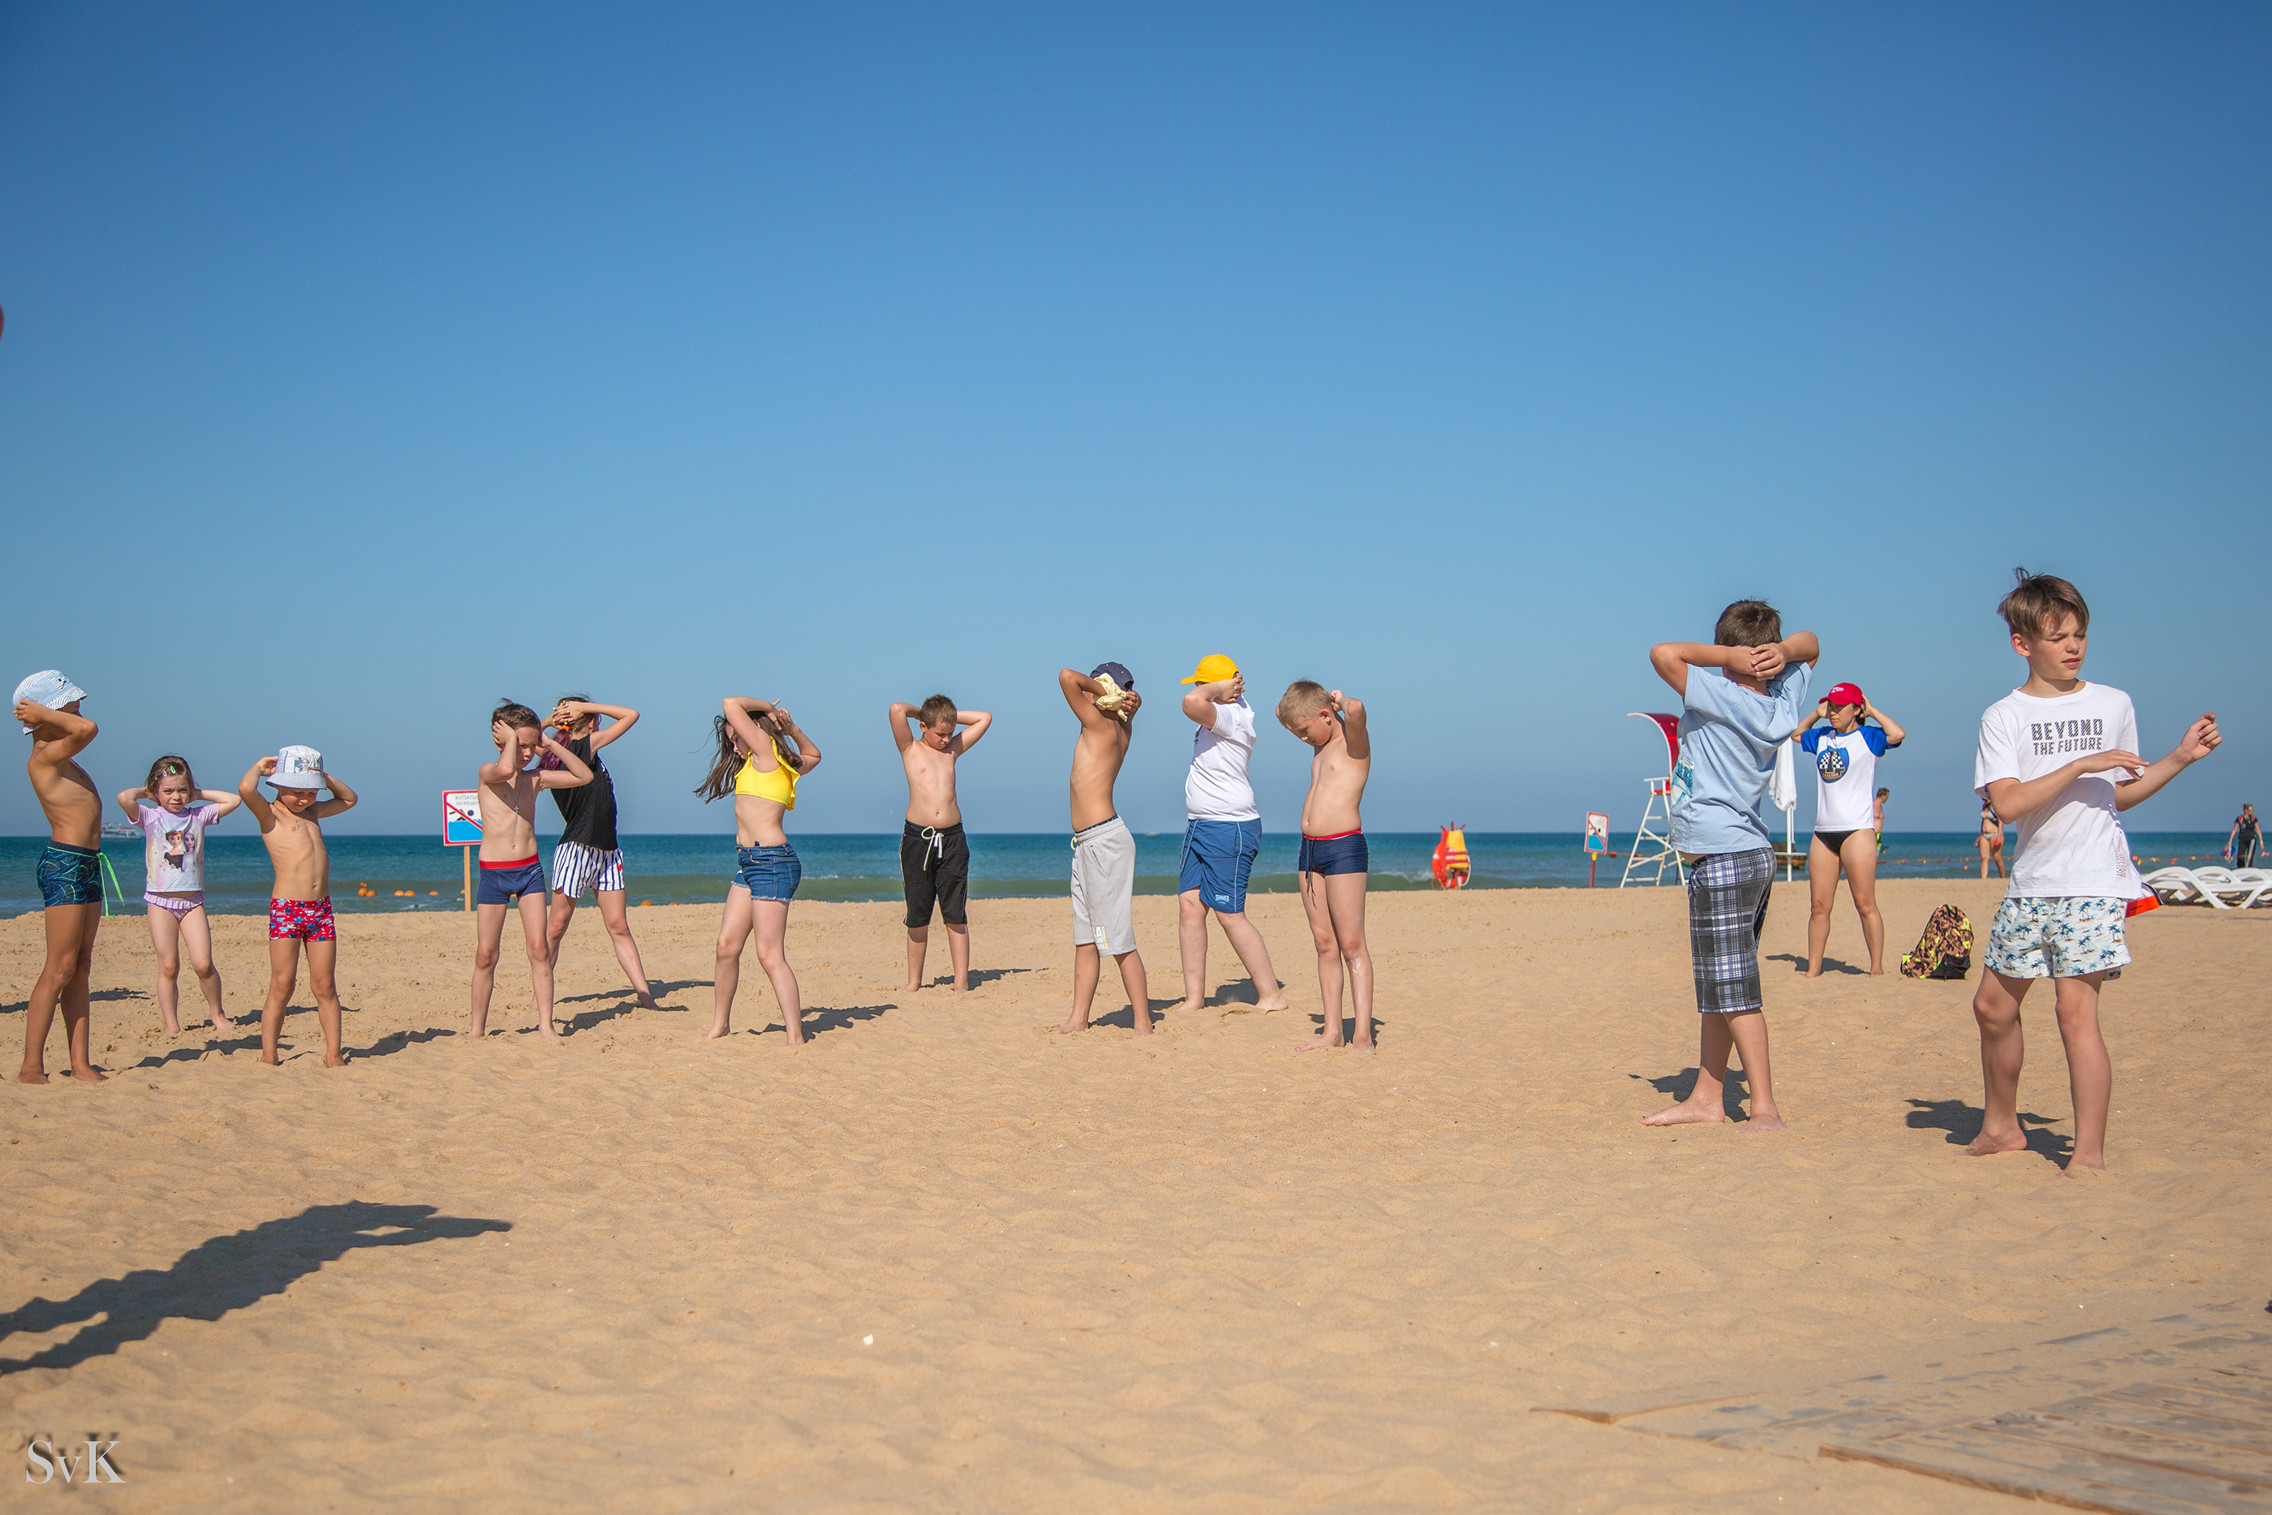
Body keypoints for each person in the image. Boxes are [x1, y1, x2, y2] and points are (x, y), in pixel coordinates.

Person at [1969, 569, 2219, 1172]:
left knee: (2074, 1012)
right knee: (1992, 1008)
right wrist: (2083, 763)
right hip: (2032, 881)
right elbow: (2006, 803)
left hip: (2094, 881)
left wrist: (2180, 758)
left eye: (2079, 634)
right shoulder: (2003, 716)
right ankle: (2002, 1127)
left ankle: (2088, 1155)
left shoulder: (2113, 703)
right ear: (2021, 644)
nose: (2073, 647)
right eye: (2058, 637)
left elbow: (2118, 794)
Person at [1639, 603, 1819, 1132]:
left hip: (1723, 856)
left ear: (1733, 656)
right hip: (1749, 854)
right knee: (1721, 985)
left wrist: (1731, 658)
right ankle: (1707, 1096)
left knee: (1735, 990)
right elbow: (1813, 645)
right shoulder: (1783, 701)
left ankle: (1763, 1107)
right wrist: (1784, 654)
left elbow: (1662, 653)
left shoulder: (1723, 693)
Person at [698, 697, 822, 1044]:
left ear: (755, 732)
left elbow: (730, 703)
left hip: (772, 862)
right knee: (726, 946)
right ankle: (720, 1024)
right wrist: (792, 729)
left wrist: (769, 709)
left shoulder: (768, 753)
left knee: (769, 954)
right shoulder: (774, 761)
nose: (734, 745)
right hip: (750, 863)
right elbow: (813, 755)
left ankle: (795, 1036)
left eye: (736, 736)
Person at [1172, 656, 1287, 1017]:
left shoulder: (1233, 715)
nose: (1196, 689)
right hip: (1201, 825)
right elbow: (1196, 700)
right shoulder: (1219, 712)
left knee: (1229, 913)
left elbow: (1191, 702)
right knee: (1190, 906)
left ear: (1223, 687)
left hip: (1229, 827)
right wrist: (1221, 687)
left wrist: (1223, 688)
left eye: (1201, 683)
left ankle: (1271, 995)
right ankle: (1194, 998)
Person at [469, 702, 591, 1041]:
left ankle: (545, 1025)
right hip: (493, 873)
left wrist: (549, 742)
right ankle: (476, 1029)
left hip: (529, 872)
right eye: (519, 745)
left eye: (529, 745)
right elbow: (506, 768)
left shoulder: (535, 778)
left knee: (538, 948)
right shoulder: (488, 773)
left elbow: (584, 776)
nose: (525, 753)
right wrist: (512, 741)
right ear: (502, 741)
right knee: (486, 954)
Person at [238, 745, 358, 1067]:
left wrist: (323, 777)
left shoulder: (315, 813)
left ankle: (333, 1054)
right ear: (277, 785)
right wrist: (260, 765)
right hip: (287, 910)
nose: (304, 799)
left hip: (321, 910)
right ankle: (269, 1053)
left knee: (325, 984)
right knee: (282, 983)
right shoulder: (270, 815)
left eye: (310, 792)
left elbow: (349, 799)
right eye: (296, 792)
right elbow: (245, 789)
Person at [14, 671, 105, 1084]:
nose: (78, 708)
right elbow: (87, 728)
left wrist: (47, 714)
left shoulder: (65, 756)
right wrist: (42, 714)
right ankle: (31, 1065)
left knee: (82, 967)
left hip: (88, 863)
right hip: (65, 863)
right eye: (68, 702)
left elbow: (81, 726)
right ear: (44, 712)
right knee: (60, 967)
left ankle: (80, 1063)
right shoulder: (45, 756)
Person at [541, 696, 658, 1011]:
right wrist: (554, 721)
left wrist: (580, 711)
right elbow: (631, 714)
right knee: (556, 928)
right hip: (577, 848)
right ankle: (540, 996)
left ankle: (645, 995)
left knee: (619, 925)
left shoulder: (579, 749)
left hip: (608, 850)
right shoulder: (577, 748)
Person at [114, 756, 242, 1035]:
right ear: (156, 792)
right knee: (169, 966)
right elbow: (124, 797)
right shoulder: (150, 816)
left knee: (203, 964)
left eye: (182, 790)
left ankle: (217, 1014)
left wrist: (198, 794)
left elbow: (234, 800)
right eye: (168, 791)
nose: (176, 796)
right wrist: (149, 792)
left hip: (192, 902)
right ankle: (171, 1023)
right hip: (160, 903)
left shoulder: (198, 815)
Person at [1277, 683, 1373, 1051]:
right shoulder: (1319, 746)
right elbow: (1283, 711)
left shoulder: (1354, 743)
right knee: (1324, 943)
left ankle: (1362, 1035)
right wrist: (1294, 710)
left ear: (1326, 714)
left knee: (1351, 945)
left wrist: (1341, 701)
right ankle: (1332, 1031)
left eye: (1304, 730)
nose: (1302, 738)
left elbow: (1359, 709)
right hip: (1309, 851)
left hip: (1344, 847)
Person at [1055, 664, 1149, 1036]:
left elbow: (1066, 676)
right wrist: (1129, 704)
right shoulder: (1121, 727)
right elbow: (1130, 714)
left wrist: (1104, 691)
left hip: (1104, 841)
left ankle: (1143, 1023)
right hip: (1087, 843)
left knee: (1117, 939)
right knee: (1085, 937)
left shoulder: (1100, 723)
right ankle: (1078, 1018)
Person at [1790, 685, 1906, 976]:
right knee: (1818, 907)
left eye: (1840, 706)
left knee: (1865, 904)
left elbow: (1897, 734)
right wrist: (1815, 715)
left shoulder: (1869, 737)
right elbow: (1795, 734)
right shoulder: (1821, 737)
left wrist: (1873, 710)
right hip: (1823, 833)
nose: (1833, 711)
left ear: (1856, 709)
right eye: (1831, 706)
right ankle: (1813, 969)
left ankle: (1876, 968)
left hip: (1857, 832)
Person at [890, 695, 992, 993]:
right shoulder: (910, 748)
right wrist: (930, 713)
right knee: (918, 914)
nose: (947, 739)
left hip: (952, 839)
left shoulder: (952, 750)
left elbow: (984, 717)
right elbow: (897, 710)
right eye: (940, 733)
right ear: (922, 726)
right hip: (918, 840)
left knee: (955, 914)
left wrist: (947, 717)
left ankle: (961, 981)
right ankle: (914, 981)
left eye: (950, 733)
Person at [1978, 799, 2006, 879]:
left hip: (1995, 833)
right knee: (1984, 858)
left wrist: (1999, 834)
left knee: (1997, 857)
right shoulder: (1984, 806)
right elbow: (1983, 821)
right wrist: (1980, 835)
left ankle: (2003, 877)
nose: (1984, 799)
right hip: (1984, 834)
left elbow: (2001, 821)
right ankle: (1983, 878)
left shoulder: (1995, 806)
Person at [2227, 803, 2262, 868]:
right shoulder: (2240, 818)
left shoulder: (2254, 819)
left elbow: (2258, 830)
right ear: (2246, 810)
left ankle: (2248, 869)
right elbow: (2234, 829)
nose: (2251, 812)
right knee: (2240, 857)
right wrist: (2230, 840)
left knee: (2249, 857)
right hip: (2242, 839)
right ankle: (2241, 869)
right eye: (2250, 810)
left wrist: (2261, 841)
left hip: (2251, 839)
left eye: (2252, 810)